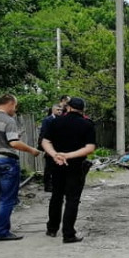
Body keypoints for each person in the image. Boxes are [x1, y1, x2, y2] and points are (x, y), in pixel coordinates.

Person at [0, 94, 41, 241]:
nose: (16, 109)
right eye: (15, 106)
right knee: (6, 199)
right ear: (11, 103)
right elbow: (13, 143)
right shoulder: (8, 120)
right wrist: (32, 150)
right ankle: (2, 232)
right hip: (6, 162)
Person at [41, 97, 96, 243]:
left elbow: (45, 141)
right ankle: (68, 233)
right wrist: (69, 156)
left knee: (56, 196)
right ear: (82, 109)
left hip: (57, 164)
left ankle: (52, 228)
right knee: (72, 199)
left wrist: (55, 155)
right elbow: (90, 148)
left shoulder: (55, 121)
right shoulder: (87, 124)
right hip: (76, 165)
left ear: (68, 108)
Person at [39, 103, 63, 192]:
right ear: (53, 110)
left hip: (59, 146)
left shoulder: (62, 120)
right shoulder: (48, 120)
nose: (60, 111)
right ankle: (47, 185)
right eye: (58, 110)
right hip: (49, 145)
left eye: (61, 110)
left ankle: (56, 184)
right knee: (49, 167)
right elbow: (43, 133)